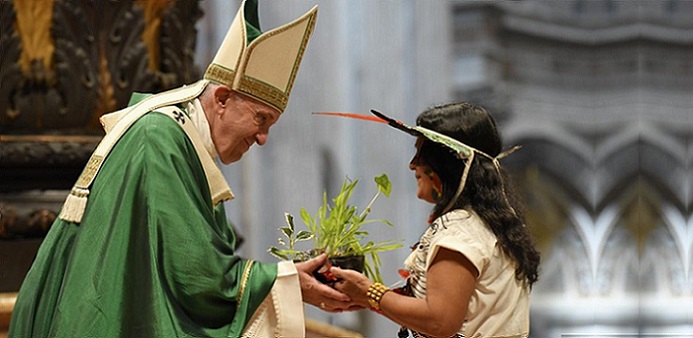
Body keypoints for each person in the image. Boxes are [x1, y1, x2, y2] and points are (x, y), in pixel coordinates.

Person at [10, 1, 351, 337]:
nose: (262, 138)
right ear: (221, 100)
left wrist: (287, 278)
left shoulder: (180, 141)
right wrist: (287, 282)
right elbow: (197, 278)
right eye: (261, 119)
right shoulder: (161, 140)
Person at [329, 102, 542, 337]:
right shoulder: (482, 224)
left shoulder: (461, 232)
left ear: (449, 164)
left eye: (422, 154)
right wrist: (374, 299)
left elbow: (440, 321)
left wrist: (370, 292)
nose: (413, 164)